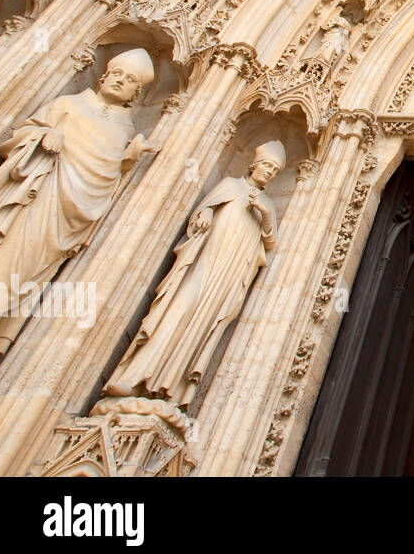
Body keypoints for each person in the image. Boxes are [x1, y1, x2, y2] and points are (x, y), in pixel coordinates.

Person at [0, 49, 159, 355]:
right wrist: (46, 134)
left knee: (24, 277)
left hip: (67, 221)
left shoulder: (125, 129)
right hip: (38, 196)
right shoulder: (68, 105)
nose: (120, 81)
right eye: (117, 74)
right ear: (104, 76)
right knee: (2, 264)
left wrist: (128, 157)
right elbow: (23, 133)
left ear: (136, 93)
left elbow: (105, 176)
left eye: (130, 80)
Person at [102, 141, 285, 409]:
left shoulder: (266, 203)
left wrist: (267, 215)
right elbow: (205, 209)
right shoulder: (230, 187)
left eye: (275, 170)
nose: (269, 172)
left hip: (232, 273)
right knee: (178, 310)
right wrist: (207, 213)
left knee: (203, 324)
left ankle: (171, 390)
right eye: (267, 166)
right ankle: (136, 376)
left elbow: (270, 243)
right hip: (206, 261)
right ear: (254, 165)